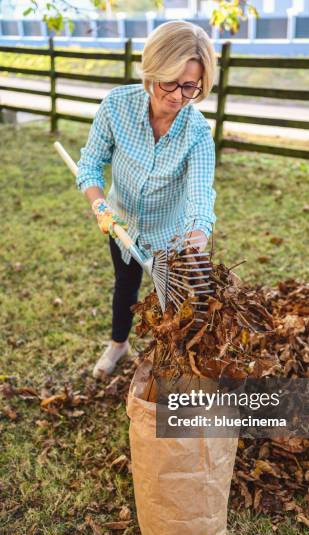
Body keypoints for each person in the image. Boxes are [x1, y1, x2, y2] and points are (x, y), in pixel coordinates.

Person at [76, 20, 217, 378]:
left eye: (190, 87)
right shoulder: (116, 106)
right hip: (119, 221)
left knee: (171, 307)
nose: (176, 96)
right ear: (153, 69)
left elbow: (200, 195)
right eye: (170, 82)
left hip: (167, 236)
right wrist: (99, 206)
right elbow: (90, 164)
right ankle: (118, 346)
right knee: (125, 285)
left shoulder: (197, 133)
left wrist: (196, 241)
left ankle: (168, 367)